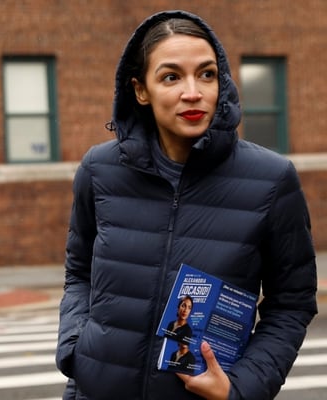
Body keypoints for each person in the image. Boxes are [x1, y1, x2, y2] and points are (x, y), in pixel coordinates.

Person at [55, 9, 317, 400]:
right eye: (171, 77)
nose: (192, 92)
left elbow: (292, 303)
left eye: (207, 74)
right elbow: (79, 273)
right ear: (140, 90)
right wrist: (77, 349)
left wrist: (241, 388)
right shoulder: (99, 170)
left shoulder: (272, 179)